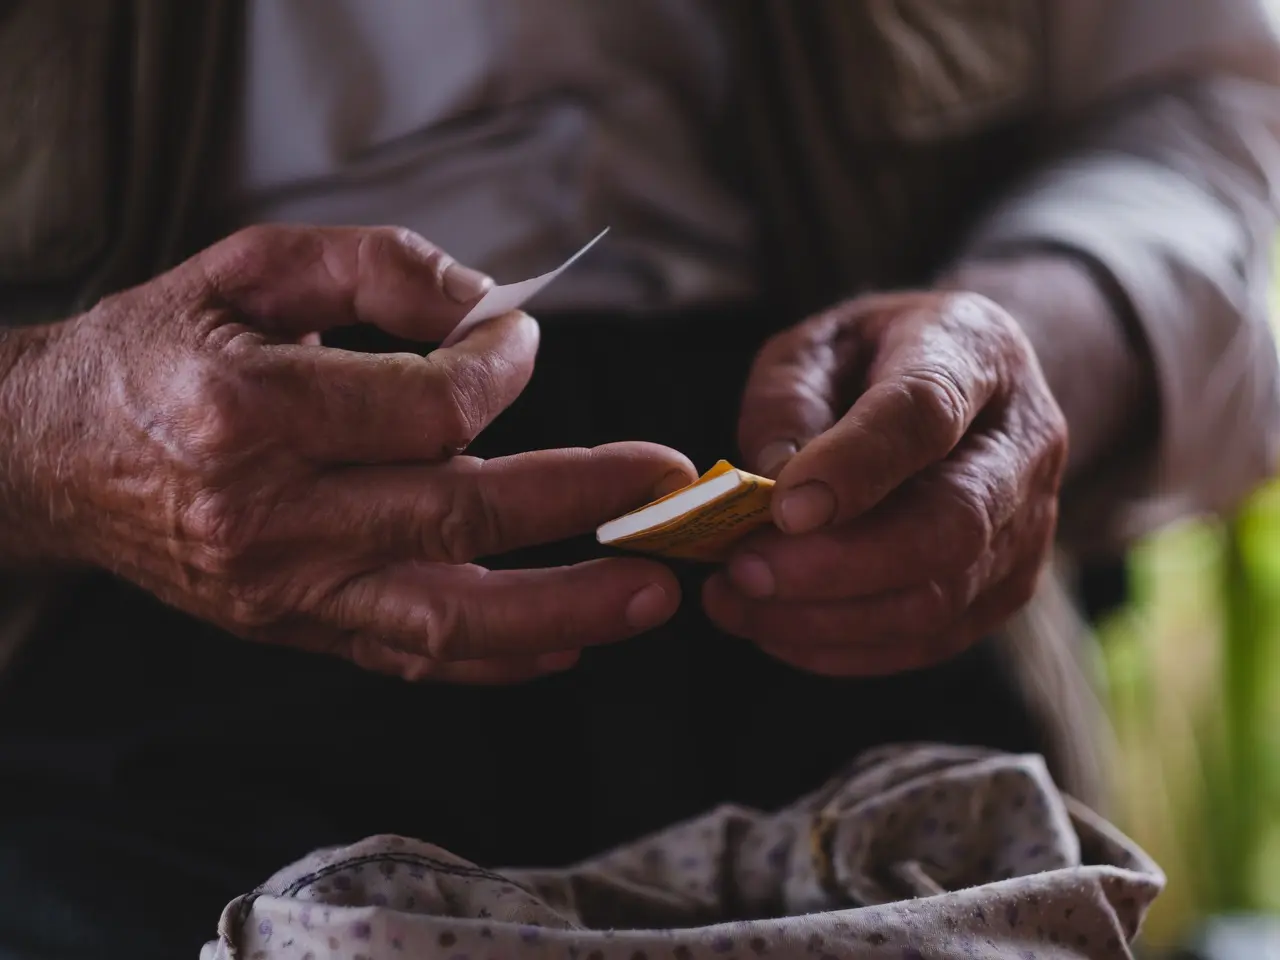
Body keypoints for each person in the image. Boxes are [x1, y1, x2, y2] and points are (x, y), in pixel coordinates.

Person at [0, 0, 1276, 956]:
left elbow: (1198, 98)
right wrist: (46, 435)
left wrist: (1033, 338)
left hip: (853, 585)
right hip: (115, 663)